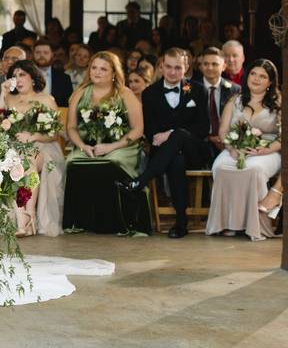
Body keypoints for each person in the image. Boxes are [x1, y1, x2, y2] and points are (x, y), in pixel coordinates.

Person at [117, 48, 210, 239]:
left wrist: (171, 133)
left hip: (194, 151)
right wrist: (165, 137)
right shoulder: (150, 93)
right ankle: (181, 223)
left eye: (178, 68)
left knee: (181, 134)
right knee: (176, 160)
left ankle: (140, 181)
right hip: (163, 154)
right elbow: (150, 131)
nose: (172, 72)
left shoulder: (199, 90)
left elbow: (202, 128)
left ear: (186, 69)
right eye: (168, 66)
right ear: (161, 67)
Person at [63, 51, 147, 235]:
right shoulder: (80, 93)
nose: (97, 72)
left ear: (114, 73)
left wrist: (111, 147)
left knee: (111, 162)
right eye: (94, 68)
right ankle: (80, 221)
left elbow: (138, 130)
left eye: (103, 69)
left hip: (122, 146)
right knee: (72, 162)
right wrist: (82, 146)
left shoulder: (125, 94)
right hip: (88, 145)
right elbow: (71, 128)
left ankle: (116, 222)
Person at [205, 59, 282, 240]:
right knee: (221, 167)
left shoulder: (279, 102)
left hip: (267, 151)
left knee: (253, 170)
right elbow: (223, 132)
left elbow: (283, 136)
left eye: (263, 76)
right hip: (235, 147)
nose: (256, 79)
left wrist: (265, 150)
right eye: (254, 74)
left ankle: (255, 227)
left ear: (270, 82)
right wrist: (231, 148)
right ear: (247, 76)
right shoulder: (235, 100)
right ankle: (226, 224)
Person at [0, 60, 66, 237]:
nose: (18, 79)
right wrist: (3, 94)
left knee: (27, 159)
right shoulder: (9, 99)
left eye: (22, 75)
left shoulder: (46, 99)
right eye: (14, 76)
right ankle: (25, 218)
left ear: (33, 77)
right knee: (18, 161)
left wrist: (32, 136)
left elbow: (55, 133)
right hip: (14, 147)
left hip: (43, 146)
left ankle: (27, 215)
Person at [200, 46, 241, 162]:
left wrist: (226, 138)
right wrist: (209, 137)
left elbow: (239, 118)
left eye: (214, 64)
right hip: (201, 141)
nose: (209, 68)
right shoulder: (190, 88)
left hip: (228, 141)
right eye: (206, 64)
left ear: (224, 66)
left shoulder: (235, 90)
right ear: (201, 66)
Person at [32, 39, 74, 108]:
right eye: (38, 52)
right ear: (33, 54)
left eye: (46, 52)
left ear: (52, 54)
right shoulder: (26, 77)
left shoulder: (64, 78)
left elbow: (68, 104)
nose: (41, 55)